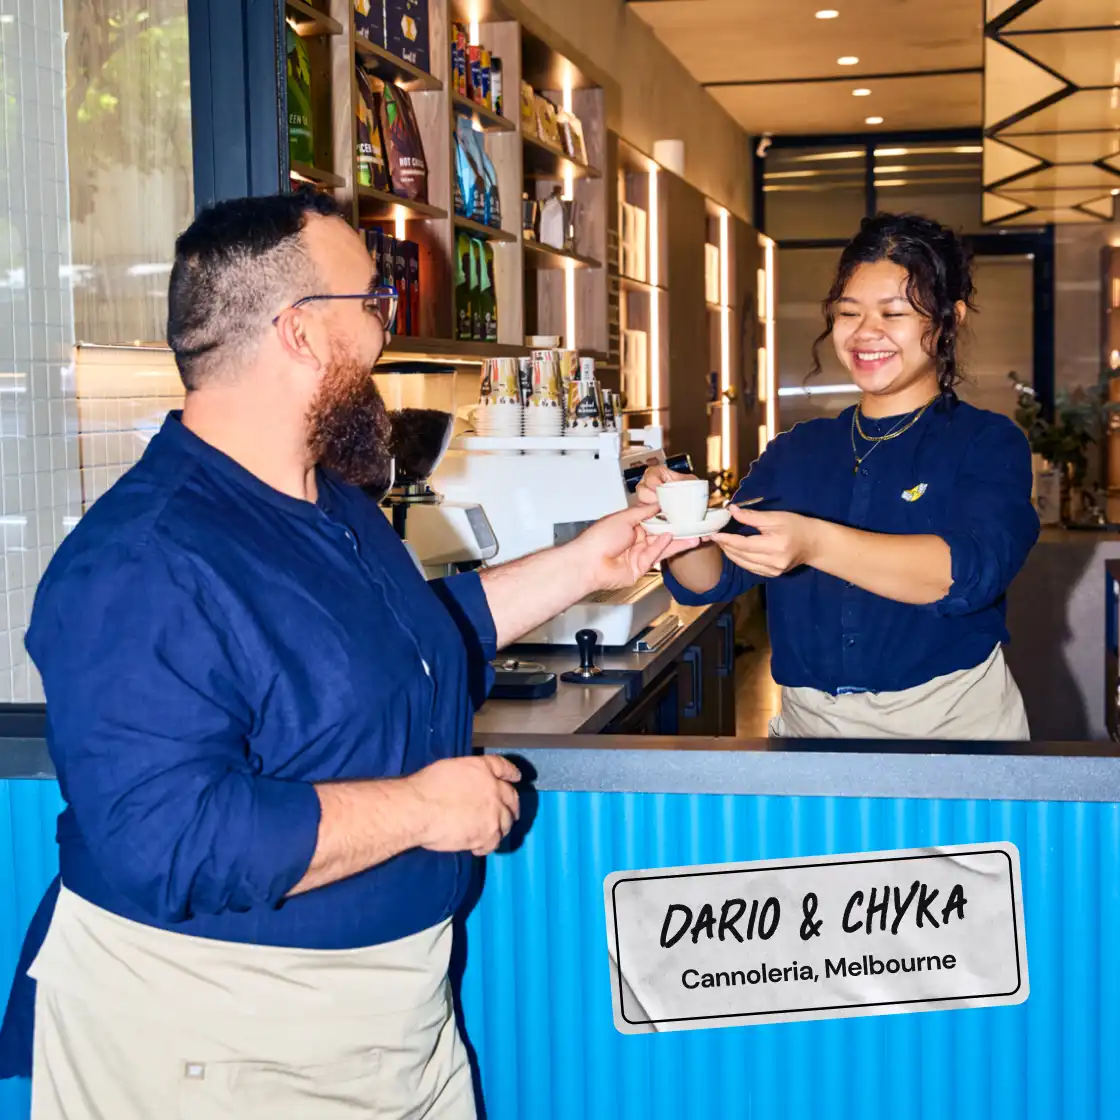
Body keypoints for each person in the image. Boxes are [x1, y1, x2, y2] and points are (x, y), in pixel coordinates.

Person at [0, 190, 694, 1119]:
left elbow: (405, 650)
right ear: (298, 332)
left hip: (387, 1027)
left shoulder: (333, 505)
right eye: (373, 303)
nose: (385, 331)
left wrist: (585, 563)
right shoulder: (142, 561)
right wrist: (418, 809)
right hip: (216, 1042)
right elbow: (165, 842)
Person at [639, 212, 1039, 740]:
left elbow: (967, 574)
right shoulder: (799, 450)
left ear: (948, 320)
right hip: (812, 732)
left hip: (953, 730)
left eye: (893, 313)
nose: (865, 333)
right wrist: (676, 522)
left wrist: (813, 544)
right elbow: (713, 580)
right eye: (849, 313)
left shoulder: (986, 442)